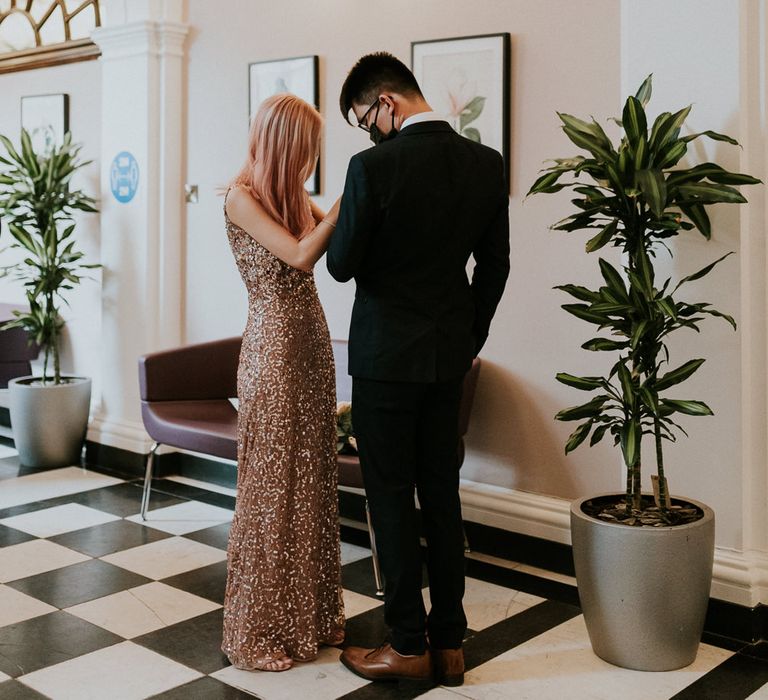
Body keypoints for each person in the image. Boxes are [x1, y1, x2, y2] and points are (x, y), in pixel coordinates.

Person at [328, 53, 510, 687]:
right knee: (441, 495)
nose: (368, 131)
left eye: (364, 119)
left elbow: (342, 264)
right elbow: (494, 268)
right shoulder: (485, 164)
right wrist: (465, 340)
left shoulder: (372, 167)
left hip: (383, 360)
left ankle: (407, 643)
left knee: (389, 499)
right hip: (446, 360)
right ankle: (451, 643)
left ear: (387, 103)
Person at [221, 92, 345, 672]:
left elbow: (335, 246)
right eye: (308, 146)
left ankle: (310, 618)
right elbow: (299, 255)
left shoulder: (294, 195)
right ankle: (261, 627)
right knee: (272, 489)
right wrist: (344, 204)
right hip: (272, 349)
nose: (311, 158)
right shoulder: (240, 197)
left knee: (310, 481)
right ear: (287, 143)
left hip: (311, 346)